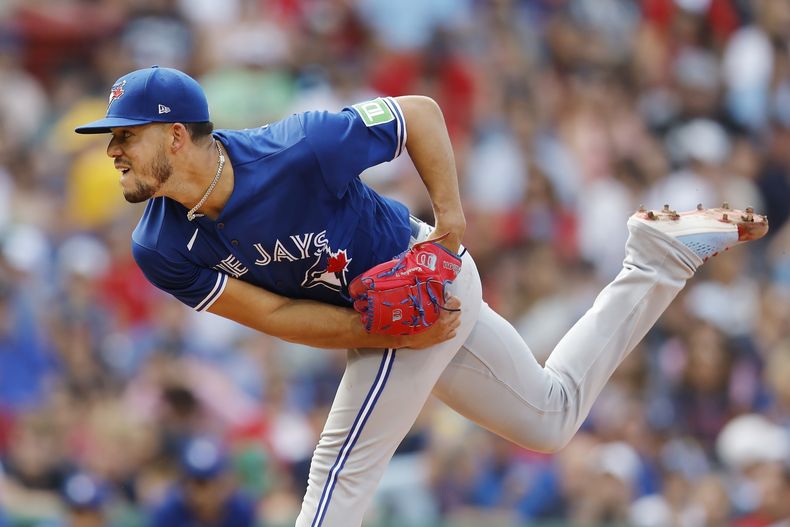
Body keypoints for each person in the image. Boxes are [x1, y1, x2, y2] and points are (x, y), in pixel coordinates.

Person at [74, 66, 768, 527]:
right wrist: (383, 331)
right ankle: (658, 259)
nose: (113, 153)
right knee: (551, 417)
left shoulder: (297, 148)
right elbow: (275, 313)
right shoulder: (159, 245)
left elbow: (420, 114)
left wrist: (452, 226)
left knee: (337, 472)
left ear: (174, 134)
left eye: (123, 136)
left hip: (419, 270)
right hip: (380, 316)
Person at [148, 436, 257, 527]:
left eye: (203, 483)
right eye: (189, 481)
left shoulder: (241, 510)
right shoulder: (168, 512)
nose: (195, 490)